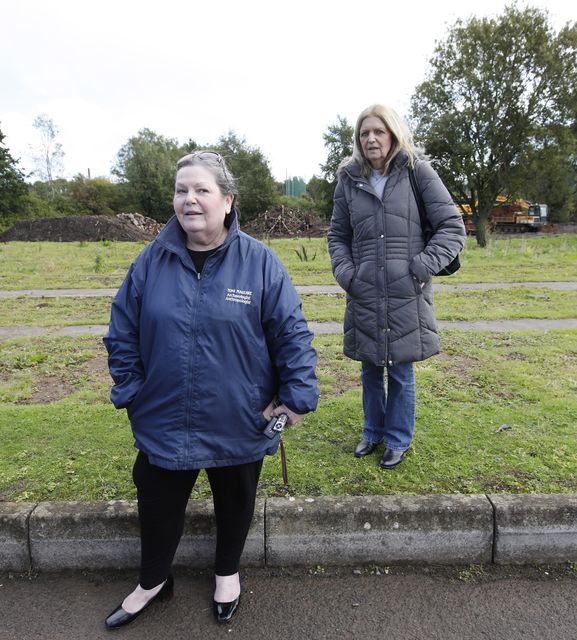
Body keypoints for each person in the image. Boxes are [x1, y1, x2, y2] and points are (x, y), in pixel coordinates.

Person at [103, 150, 319, 628]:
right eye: (182, 191)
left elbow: (291, 334)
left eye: (202, 190)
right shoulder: (149, 261)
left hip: (239, 415)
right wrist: (134, 390)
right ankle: (153, 581)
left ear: (227, 200)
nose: (190, 200)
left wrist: (296, 397)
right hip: (163, 414)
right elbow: (122, 331)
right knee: (156, 502)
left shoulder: (260, 263)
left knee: (236, 500)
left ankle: (227, 574)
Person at [327, 104, 465, 470]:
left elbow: (453, 227)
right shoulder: (348, 178)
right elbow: (338, 235)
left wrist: (419, 269)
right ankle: (372, 432)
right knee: (370, 367)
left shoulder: (417, 170)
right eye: (364, 133)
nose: (370, 139)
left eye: (378, 131)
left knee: (400, 369)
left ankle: (398, 439)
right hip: (365, 290)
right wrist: (347, 274)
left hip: (407, 291)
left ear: (393, 133)